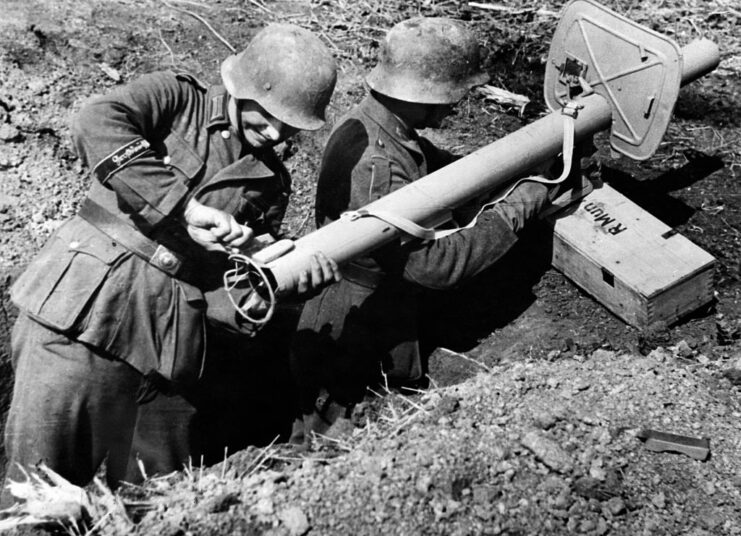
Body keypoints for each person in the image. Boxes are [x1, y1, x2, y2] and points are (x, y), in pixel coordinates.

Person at [2, 23, 340, 501]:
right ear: (239, 89)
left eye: (290, 126)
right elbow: (95, 121)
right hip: (86, 314)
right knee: (40, 492)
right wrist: (183, 207)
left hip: (168, 347)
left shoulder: (270, 182)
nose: (276, 133)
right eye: (267, 116)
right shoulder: (177, 100)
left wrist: (276, 280)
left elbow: (228, 292)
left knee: (155, 502)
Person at [289, 17, 590, 442]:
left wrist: (527, 158)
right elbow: (434, 266)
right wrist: (535, 195)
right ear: (421, 93)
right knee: (335, 444)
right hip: (354, 327)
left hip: (380, 307)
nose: (456, 107)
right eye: (453, 95)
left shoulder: (383, 127)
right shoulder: (377, 166)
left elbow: (443, 171)